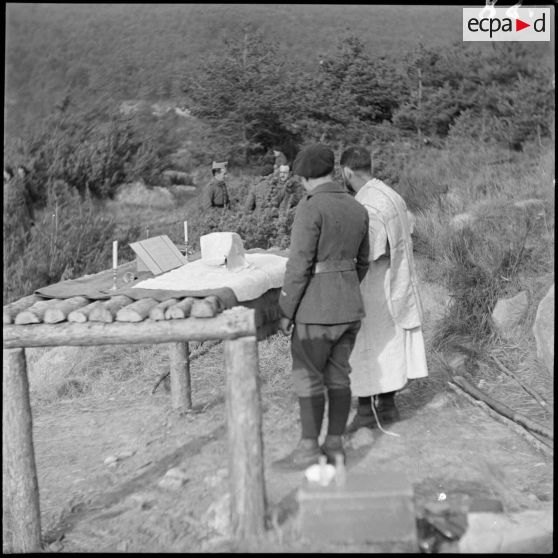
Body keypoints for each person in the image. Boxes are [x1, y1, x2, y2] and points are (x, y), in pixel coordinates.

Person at [273, 143, 370, 470]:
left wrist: (286, 310)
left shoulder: (310, 208)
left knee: (308, 378)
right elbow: (364, 261)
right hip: (349, 308)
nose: (301, 184)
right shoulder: (358, 208)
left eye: (301, 180)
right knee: (340, 377)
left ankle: (308, 449)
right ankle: (335, 446)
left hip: (316, 311)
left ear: (307, 178)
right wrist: (345, 286)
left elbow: (298, 265)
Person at [338, 146, 428, 433]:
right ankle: (388, 405)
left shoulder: (367, 204)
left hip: (377, 283)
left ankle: (366, 411)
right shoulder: (393, 195)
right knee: (391, 343)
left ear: (347, 171)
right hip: (399, 277)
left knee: (369, 346)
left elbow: (371, 251)